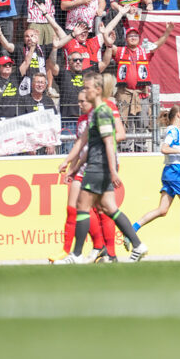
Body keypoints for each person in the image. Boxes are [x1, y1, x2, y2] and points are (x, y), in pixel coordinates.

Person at [57, 70, 147, 264]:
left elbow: (108, 142)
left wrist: (113, 170)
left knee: (82, 206)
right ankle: (137, 245)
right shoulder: (94, 112)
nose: (84, 92)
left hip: (100, 165)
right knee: (109, 207)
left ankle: (77, 254)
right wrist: (70, 165)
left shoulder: (104, 111)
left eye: (87, 89)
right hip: (97, 164)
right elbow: (84, 141)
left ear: (97, 90)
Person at [132, 106, 180, 257]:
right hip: (175, 172)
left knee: (162, 210)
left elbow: (173, 147)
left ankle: (132, 228)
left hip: (171, 171)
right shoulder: (173, 131)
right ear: (178, 115)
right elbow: (164, 148)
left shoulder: (176, 132)